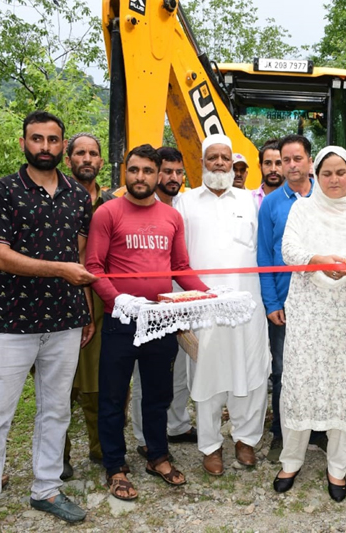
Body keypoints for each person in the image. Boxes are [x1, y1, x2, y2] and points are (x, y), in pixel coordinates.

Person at [0, 111, 96, 532]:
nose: (45, 147)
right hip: (12, 320)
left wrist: (85, 305)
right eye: (37, 139)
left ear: (62, 145)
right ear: (23, 143)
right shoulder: (1, 192)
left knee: (54, 410)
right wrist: (61, 270)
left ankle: (46, 489)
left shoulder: (76, 195)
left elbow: (81, 258)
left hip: (66, 319)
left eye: (54, 140)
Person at [86, 144, 210, 501]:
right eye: (134, 170)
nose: (140, 177)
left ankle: (157, 455)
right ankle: (115, 466)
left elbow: (181, 269)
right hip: (121, 322)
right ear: (126, 172)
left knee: (159, 394)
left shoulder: (172, 217)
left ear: (159, 175)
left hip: (161, 321)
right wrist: (118, 299)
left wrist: (209, 294)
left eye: (147, 171)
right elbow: (94, 267)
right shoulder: (107, 213)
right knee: (113, 397)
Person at [272, 145, 346, 503]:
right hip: (309, 311)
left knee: (343, 386)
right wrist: (317, 260)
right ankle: (291, 461)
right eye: (327, 173)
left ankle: (338, 468)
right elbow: (289, 250)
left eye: (341, 172)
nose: (334, 179)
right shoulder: (302, 209)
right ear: (315, 176)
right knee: (300, 383)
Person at [177, 134, 271, 475]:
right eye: (213, 157)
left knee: (251, 370)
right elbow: (179, 258)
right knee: (207, 374)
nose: (219, 162)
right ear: (202, 162)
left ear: (233, 164)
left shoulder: (249, 201)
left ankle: (246, 439)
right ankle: (211, 445)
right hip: (203, 307)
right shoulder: (186, 203)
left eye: (225, 158)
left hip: (248, 304)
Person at [131, 146, 197, 460]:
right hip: (151, 299)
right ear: (156, 172)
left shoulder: (187, 204)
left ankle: (178, 424)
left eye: (178, 172)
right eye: (167, 171)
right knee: (148, 371)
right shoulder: (142, 204)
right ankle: (145, 436)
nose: (173, 177)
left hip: (182, 295)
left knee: (181, 365)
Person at [257, 134, 315, 462]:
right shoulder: (271, 203)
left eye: (296, 159)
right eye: (284, 160)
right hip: (284, 301)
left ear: (309, 160)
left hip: (322, 301)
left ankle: (317, 430)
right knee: (282, 370)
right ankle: (282, 432)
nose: (291, 166)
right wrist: (272, 303)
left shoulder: (326, 197)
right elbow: (264, 256)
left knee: (317, 367)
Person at [62, 132, 115, 479]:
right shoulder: (55, 197)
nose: (86, 158)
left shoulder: (112, 203)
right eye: (79, 152)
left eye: (93, 153)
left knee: (99, 380)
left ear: (101, 161)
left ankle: (100, 449)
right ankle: (57, 455)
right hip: (59, 301)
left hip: (102, 300)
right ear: (69, 160)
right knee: (61, 384)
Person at [252, 139, 283, 209]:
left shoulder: (296, 201)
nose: (273, 169)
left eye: (278, 163)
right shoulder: (248, 200)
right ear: (260, 166)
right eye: (268, 163)